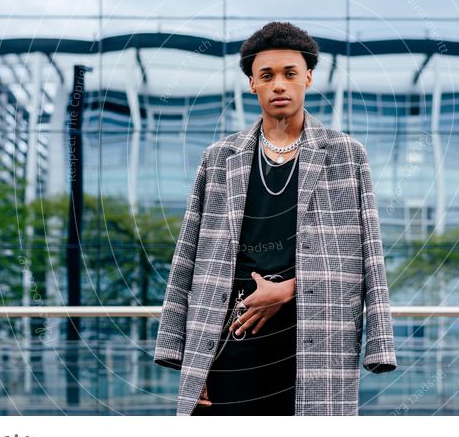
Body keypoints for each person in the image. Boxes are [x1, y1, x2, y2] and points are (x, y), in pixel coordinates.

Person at [154, 21, 397, 416]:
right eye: (266, 75)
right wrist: (185, 358)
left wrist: (288, 290)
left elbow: (367, 255)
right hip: (230, 331)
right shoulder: (220, 157)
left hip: (316, 332)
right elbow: (187, 257)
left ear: (309, 78)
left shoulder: (345, 154)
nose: (279, 85)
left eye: (290, 74)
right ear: (252, 83)